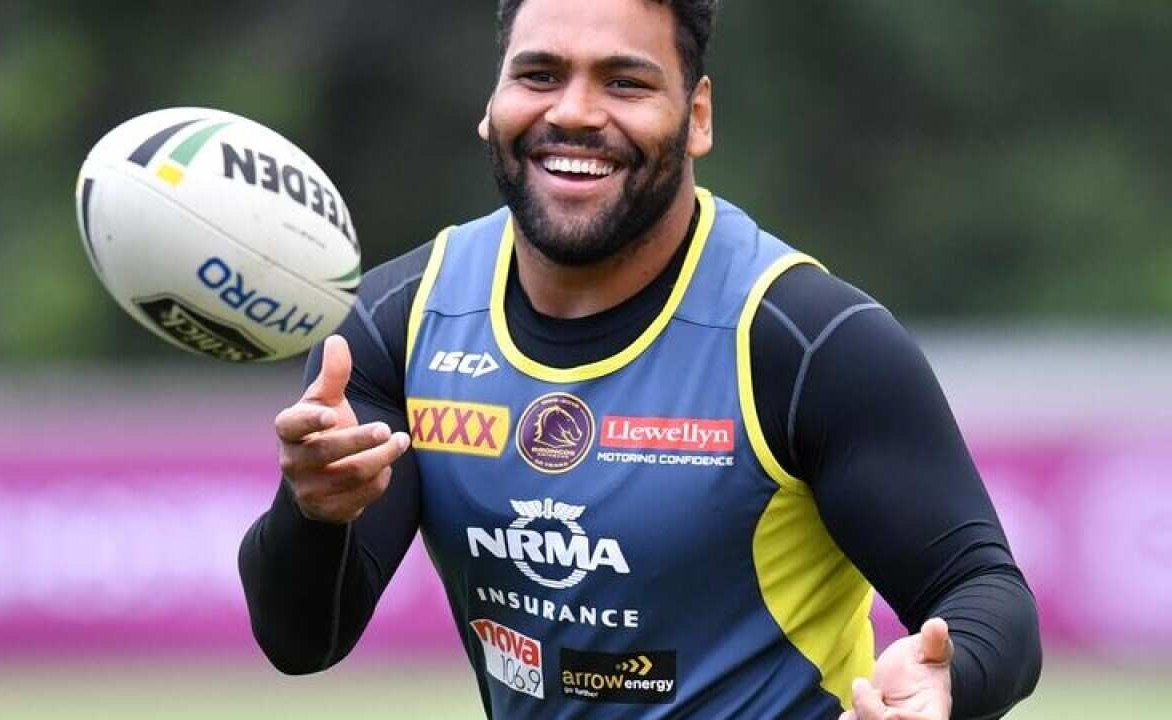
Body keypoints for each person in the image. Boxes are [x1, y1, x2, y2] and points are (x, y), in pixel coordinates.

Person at [239, 0, 1042, 717]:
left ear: (697, 116)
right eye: (540, 74)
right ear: (492, 105)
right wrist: (314, 514)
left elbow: (987, 595)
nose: (575, 113)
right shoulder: (395, 323)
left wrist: (947, 677)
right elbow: (302, 642)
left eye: (624, 82)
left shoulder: (807, 342)